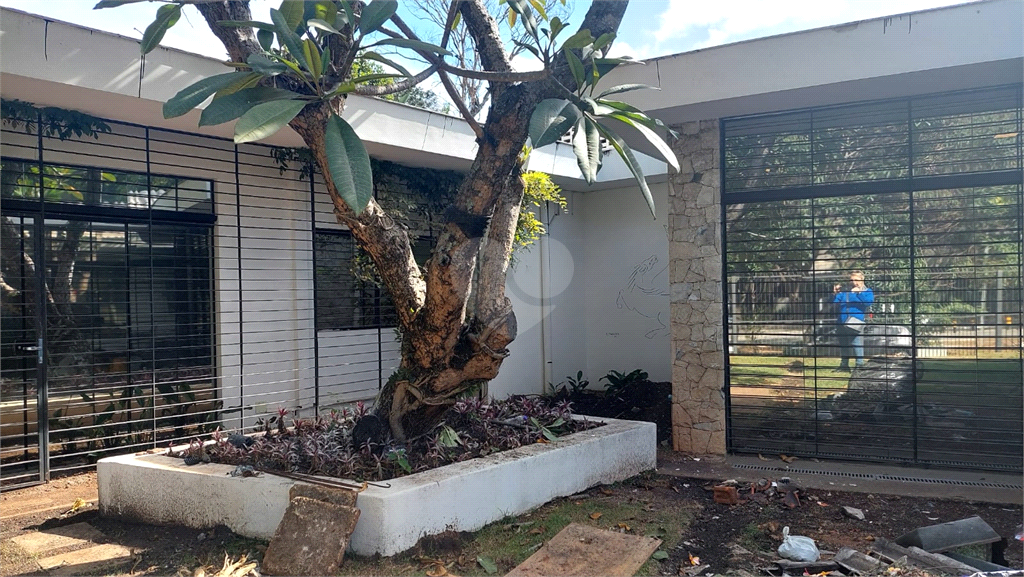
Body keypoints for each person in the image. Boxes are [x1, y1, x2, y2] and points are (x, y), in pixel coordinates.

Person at [832, 271, 874, 371]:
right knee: (843, 345)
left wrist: (859, 293)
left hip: (855, 322)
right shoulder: (846, 292)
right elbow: (834, 302)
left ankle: (859, 366)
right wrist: (835, 293)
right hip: (842, 322)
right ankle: (844, 365)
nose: (854, 282)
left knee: (857, 344)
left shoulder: (867, 291)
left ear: (862, 280)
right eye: (852, 280)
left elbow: (868, 302)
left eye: (856, 280)